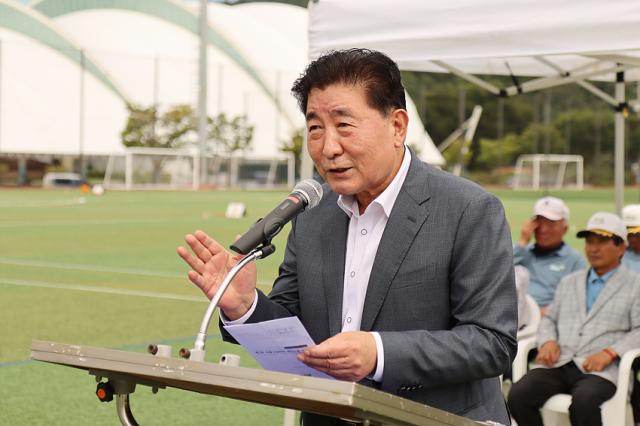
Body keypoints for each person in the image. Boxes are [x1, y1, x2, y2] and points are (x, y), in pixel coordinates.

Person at [178, 48, 517, 425]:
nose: (328, 148)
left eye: (344, 125)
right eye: (315, 128)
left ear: (397, 126)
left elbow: (492, 343)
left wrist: (379, 352)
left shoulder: (468, 209)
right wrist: (245, 307)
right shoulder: (312, 215)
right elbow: (296, 333)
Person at [508, 212, 640, 426]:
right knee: (518, 395)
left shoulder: (635, 284)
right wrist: (548, 341)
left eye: (602, 242)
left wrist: (610, 352)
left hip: (602, 370)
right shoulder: (569, 282)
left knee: (584, 402)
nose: (593, 248)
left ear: (621, 247)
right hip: (562, 362)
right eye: (589, 241)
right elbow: (549, 318)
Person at [514, 196, 585, 316]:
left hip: (546, 321)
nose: (543, 229)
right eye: (538, 223)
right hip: (512, 319)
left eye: (551, 223)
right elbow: (495, 273)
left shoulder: (574, 260)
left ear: (565, 228)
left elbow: (574, 302)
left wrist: (537, 314)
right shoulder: (520, 252)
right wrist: (522, 241)